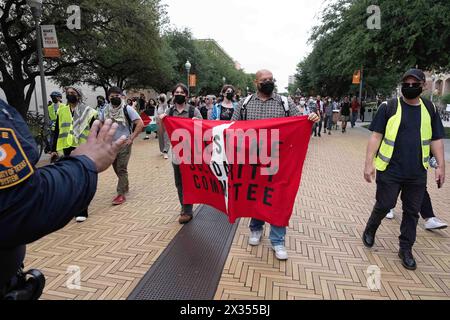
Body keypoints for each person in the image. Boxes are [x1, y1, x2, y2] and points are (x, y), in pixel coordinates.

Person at [0, 97, 126, 299]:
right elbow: (21, 202)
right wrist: (84, 164)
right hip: (73, 150)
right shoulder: (61, 110)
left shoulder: (89, 111)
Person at [231, 69, 320, 261]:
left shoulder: (285, 103)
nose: (268, 82)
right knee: (255, 194)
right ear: (256, 82)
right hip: (252, 161)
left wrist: (311, 119)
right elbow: (231, 128)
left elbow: (302, 122)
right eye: (264, 80)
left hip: (278, 161)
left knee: (278, 198)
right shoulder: (244, 104)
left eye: (271, 79)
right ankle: (256, 228)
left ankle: (278, 240)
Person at [362, 68, 445, 270]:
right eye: (406, 84)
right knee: (385, 204)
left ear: (423, 85)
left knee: (412, 212)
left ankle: (405, 249)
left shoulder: (430, 109)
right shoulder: (388, 107)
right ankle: (371, 228)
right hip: (390, 169)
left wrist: (441, 166)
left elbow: (436, 139)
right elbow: (376, 136)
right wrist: (368, 163)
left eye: (414, 84)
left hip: (417, 172)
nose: (409, 87)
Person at [50, 87, 98, 222]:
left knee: (82, 176)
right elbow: (57, 130)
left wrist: (94, 145)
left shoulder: (88, 111)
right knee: (70, 177)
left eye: (73, 93)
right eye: (68, 93)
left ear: (79, 95)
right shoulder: (62, 110)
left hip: (82, 146)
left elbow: (95, 130)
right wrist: (53, 148)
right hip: (66, 146)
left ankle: (82, 210)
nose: (70, 95)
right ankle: (72, 206)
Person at [159, 83, 203, 224]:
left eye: (182, 92)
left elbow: (204, 130)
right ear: (173, 94)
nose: (179, 94)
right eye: (176, 92)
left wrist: (198, 123)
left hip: (191, 152)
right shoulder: (169, 112)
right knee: (179, 182)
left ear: (186, 95)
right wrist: (162, 121)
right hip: (176, 153)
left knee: (189, 181)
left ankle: (187, 210)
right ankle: (184, 206)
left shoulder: (193, 111)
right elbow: (162, 133)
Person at [100, 87, 144, 206]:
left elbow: (140, 123)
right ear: (108, 98)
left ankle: (120, 194)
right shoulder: (105, 110)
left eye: (117, 95)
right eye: (112, 96)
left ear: (122, 96)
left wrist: (131, 137)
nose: (114, 98)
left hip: (124, 143)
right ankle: (125, 184)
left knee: (121, 168)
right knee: (116, 168)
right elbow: (101, 123)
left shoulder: (127, 109)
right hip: (111, 145)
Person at [156, 94, 170, 159]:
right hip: (159, 123)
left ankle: (165, 151)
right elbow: (156, 114)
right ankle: (162, 150)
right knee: (160, 137)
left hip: (166, 123)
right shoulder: (157, 106)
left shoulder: (168, 106)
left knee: (166, 137)